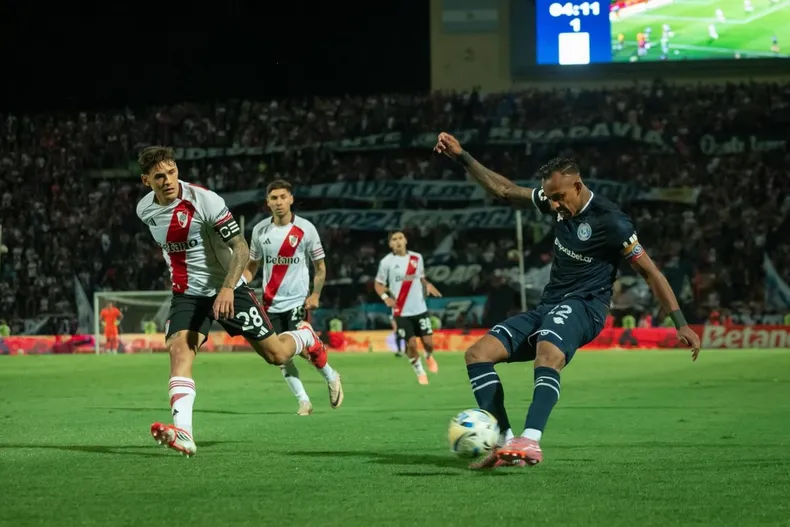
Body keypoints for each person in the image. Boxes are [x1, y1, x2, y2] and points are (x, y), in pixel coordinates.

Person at [434, 132, 701, 469]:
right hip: (549, 307)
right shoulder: (555, 200)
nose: (554, 205)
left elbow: (652, 273)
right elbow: (503, 190)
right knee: (477, 353)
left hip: (586, 306)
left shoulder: (611, 222)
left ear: (577, 186)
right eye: (549, 198)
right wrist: (462, 156)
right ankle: (504, 443)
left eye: (558, 197)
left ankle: (530, 441)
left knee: (548, 351)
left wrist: (681, 323)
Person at [136, 146, 327, 457]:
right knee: (179, 349)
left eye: (172, 172)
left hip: (229, 289)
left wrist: (226, 288)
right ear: (147, 181)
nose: (168, 180)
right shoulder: (145, 210)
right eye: (159, 176)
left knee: (277, 356)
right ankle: (184, 433)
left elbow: (240, 248)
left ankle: (306, 337)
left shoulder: (205, 201)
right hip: (187, 294)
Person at [244, 179, 343, 416]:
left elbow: (320, 267)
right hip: (270, 303)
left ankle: (331, 376)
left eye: (282, 197)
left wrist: (316, 294)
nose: (278, 202)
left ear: (291, 199)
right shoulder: (260, 231)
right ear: (267, 202)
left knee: (301, 351)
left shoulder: (306, 229)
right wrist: (240, 283)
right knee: (279, 357)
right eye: (273, 198)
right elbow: (252, 265)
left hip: (298, 301)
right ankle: (304, 401)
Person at [374, 231, 442, 384]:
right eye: (394, 239)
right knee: (411, 344)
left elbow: (421, 277)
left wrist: (427, 284)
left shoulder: (417, 258)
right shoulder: (386, 262)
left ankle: (429, 356)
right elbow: (378, 284)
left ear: (405, 240)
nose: (398, 241)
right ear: (390, 244)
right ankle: (419, 371)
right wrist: (385, 298)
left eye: (400, 238)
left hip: (420, 308)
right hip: (401, 311)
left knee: (429, 343)